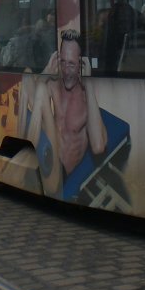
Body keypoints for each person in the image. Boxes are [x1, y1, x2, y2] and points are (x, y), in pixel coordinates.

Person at [27, 29, 107, 197]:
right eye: (62, 62)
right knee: (30, 81)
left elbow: (99, 146)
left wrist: (89, 84)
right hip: (45, 158)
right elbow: (29, 102)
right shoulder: (55, 86)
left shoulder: (88, 100)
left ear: (81, 64)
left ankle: (28, 159)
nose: (66, 70)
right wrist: (46, 72)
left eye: (71, 64)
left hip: (60, 174)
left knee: (39, 88)